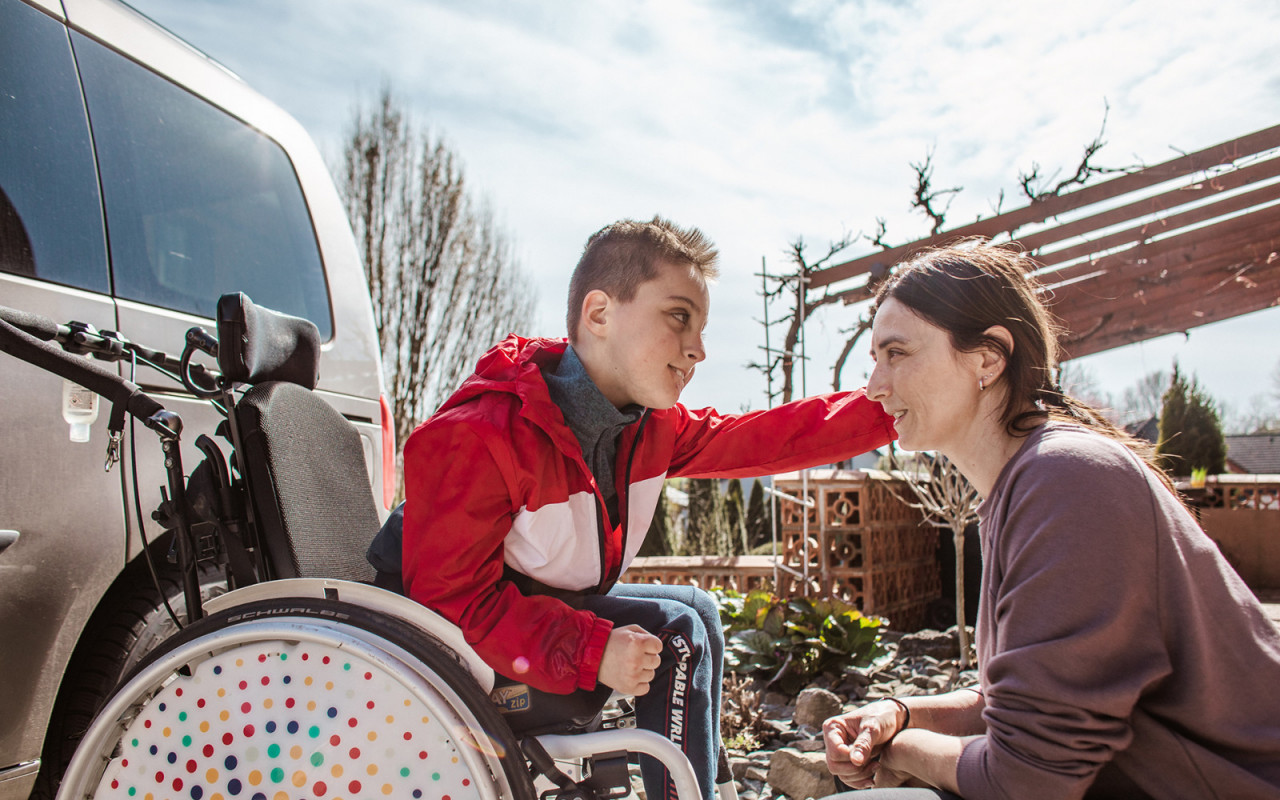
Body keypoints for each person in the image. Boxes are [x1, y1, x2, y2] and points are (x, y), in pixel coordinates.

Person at [371, 216, 897, 800]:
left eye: (700, 326)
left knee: (697, 608)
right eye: (679, 317)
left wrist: (892, 407)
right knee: (673, 634)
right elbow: (447, 602)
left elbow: (768, 437)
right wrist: (592, 651)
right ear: (599, 314)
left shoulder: (646, 429)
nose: (698, 349)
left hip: (511, 618)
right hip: (441, 660)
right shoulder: (480, 436)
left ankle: (710, 787)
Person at [820, 239, 1280, 799]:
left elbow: (1027, 779)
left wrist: (903, 752)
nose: (874, 386)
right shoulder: (1029, 485)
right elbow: (1031, 703)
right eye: (875, 359)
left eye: (897, 353)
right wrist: (901, 715)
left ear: (988, 357)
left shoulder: (1067, 482)